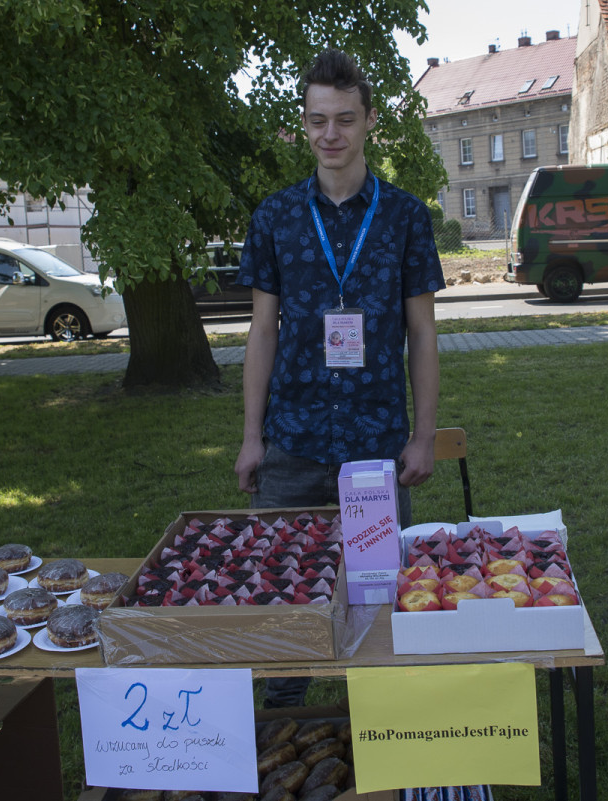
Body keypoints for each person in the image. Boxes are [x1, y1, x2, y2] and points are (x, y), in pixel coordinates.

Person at [234, 49, 443, 707]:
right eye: (318, 120)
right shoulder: (275, 216)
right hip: (291, 443)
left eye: (345, 119)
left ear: (370, 121)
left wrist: (423, 435)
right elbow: (262, 331)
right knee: (284, 604)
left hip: (376, 446)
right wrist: (250, 436)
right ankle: (283, 733)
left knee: (376, 603)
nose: (331, 134)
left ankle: (382, 740)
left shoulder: (405, 216)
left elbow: (423, 334)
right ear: (302, 123)